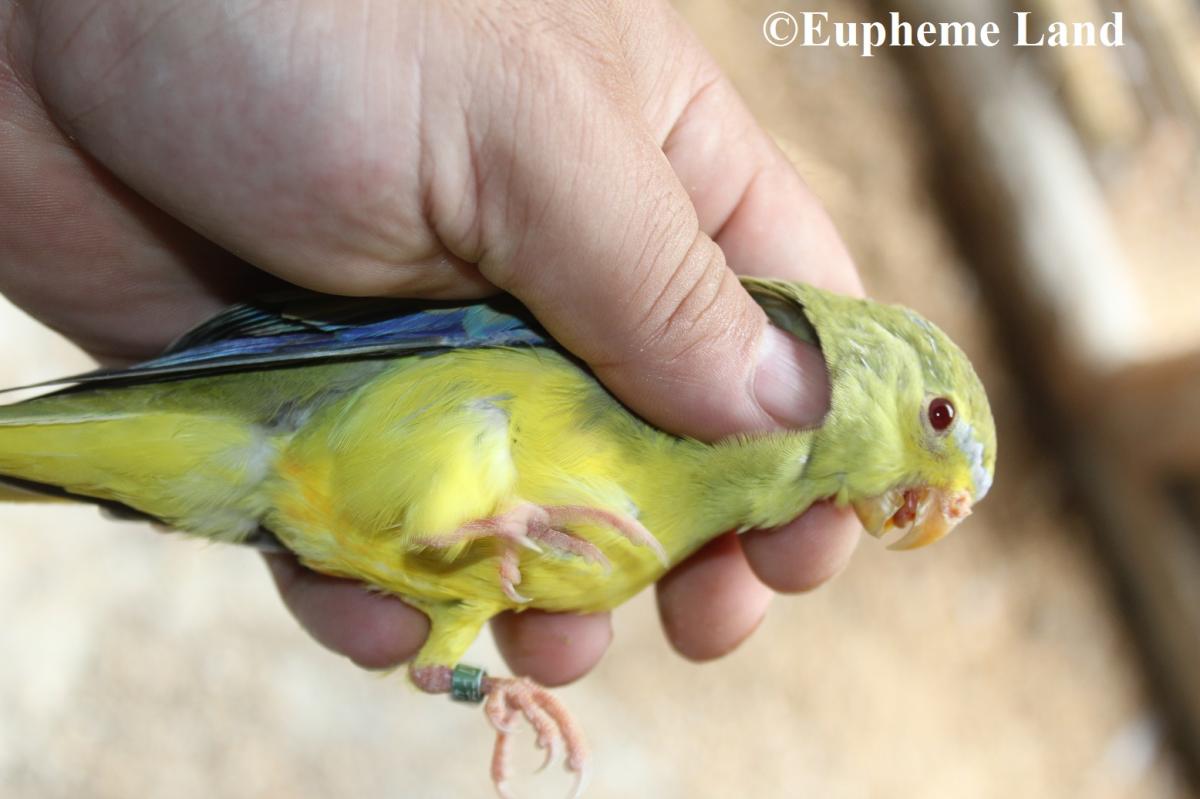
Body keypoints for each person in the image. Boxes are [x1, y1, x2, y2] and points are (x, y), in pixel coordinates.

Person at [0, 1, 863, 687]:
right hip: (297, 408)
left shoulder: (651, 550)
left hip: (274, 497)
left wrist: (480, 689)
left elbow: (430, 658)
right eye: (936, 419)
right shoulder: (614, 372)